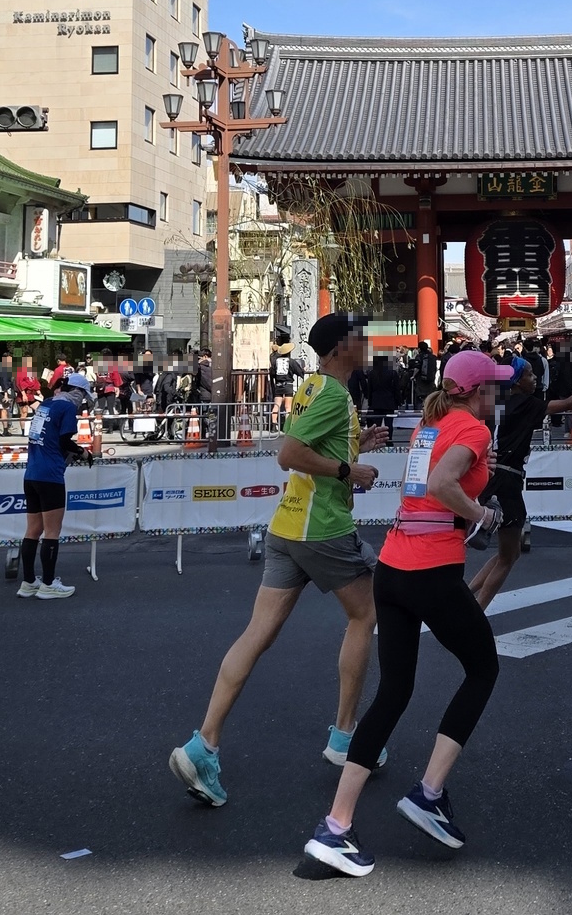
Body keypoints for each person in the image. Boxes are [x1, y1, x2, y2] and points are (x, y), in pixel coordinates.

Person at [302, 349, 511, 878]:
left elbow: (425, 486)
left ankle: (336, 827)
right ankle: (428, 793)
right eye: (495, 386)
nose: (499, 394)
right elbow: (443, 486)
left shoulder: (429, 422)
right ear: (479, 389)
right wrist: (482, 515)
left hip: (393, 566)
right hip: (431, 568)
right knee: (483, 668)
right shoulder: (471, 430)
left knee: (394, 692)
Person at [172, 313, 389, 808]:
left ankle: (203, 744)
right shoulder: (333, 393)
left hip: (286, 528)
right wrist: (348, 468)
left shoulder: (316, 387)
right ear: (339, 348)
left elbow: (311, 444)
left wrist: (358, 444)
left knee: (257, 634)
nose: (368, 344)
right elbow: (289, 454)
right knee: (366, 614)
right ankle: (344, 736)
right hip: (324, 530)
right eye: (360, 339)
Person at [469, 350, 572, 608]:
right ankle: (476, 611)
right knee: (507, 557)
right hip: (508, 481)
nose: (535, 378)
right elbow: (569, 403)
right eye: (529, 374)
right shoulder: (526, 403)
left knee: (508, 551)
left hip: (491, 477)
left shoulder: (496, 402)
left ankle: (467, 596)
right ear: (516, 381)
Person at [19, 371, 93, 599]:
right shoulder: (68, 408)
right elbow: (64, 440)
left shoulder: (47, 404)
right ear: (78, 393)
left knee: (33, 530)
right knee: (52, 531)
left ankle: (29, 582)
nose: (82, 403)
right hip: (50, 474)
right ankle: (49, 584)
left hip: (31, 472)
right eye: (83, 397)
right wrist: (83, 452)